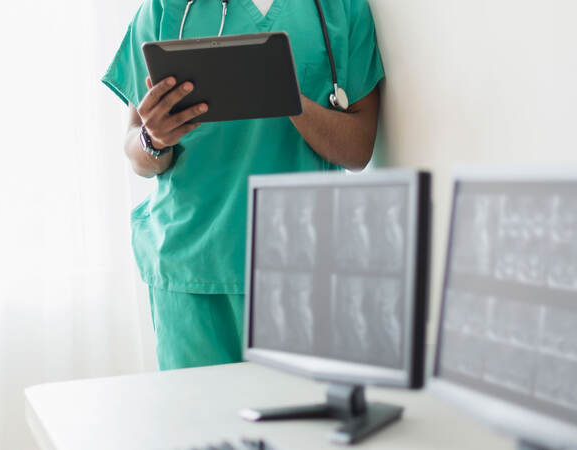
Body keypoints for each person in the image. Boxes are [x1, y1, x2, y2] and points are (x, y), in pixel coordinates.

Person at [102, 0, 385, 370]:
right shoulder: (164, 9)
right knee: (200, 423)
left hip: (302, 270)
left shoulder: (337, 9)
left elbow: (358, 149)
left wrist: (285, 96)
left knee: (302, 423)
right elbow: (136, 150)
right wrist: (153, 139)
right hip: (193, 271)